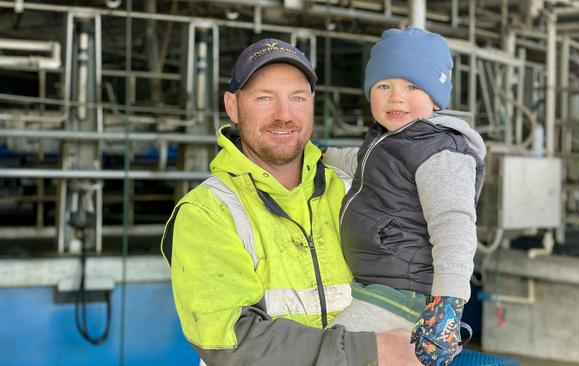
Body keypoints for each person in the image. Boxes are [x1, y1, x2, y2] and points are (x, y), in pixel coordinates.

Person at [161, 38, 419, 365]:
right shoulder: (207, 212)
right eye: (265, 98)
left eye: (297, 98)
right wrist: (373, 350)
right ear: (232, 106)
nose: (284, 115)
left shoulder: (352, 192)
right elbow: (232, 344)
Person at [324, 28, 486, 366]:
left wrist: (448, 305)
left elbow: (454, 229)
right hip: (374, 283)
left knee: (330, 353)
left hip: (402, 295)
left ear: (436, 98)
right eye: (384, 86)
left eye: (412, 87)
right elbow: (360, 162)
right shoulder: (391, 140)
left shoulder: (440, 153)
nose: (396, 98)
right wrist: (316, 156)